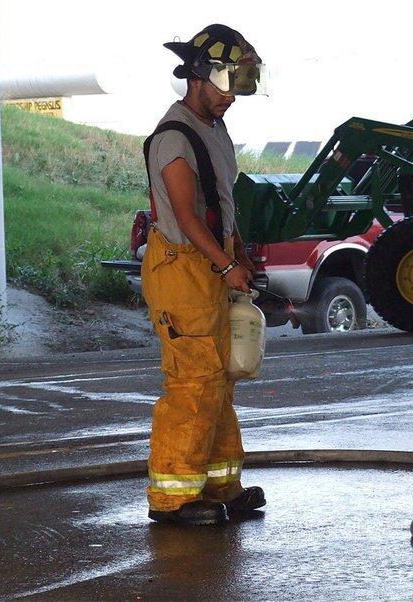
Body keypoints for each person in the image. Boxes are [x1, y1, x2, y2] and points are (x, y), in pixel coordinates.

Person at [140, 24, 268, 526]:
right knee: (192, 383)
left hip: (210, 266)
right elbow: (187, 215)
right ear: (200, 76)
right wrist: (226, 264)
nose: (233, 97)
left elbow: (219, 206)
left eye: (240, 85)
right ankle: (172, 499)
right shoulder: (174, 137)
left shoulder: (214, 129)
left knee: (219, 381)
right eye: (227, 85)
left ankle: (218, 486)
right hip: (182, 270)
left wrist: (237, 254)